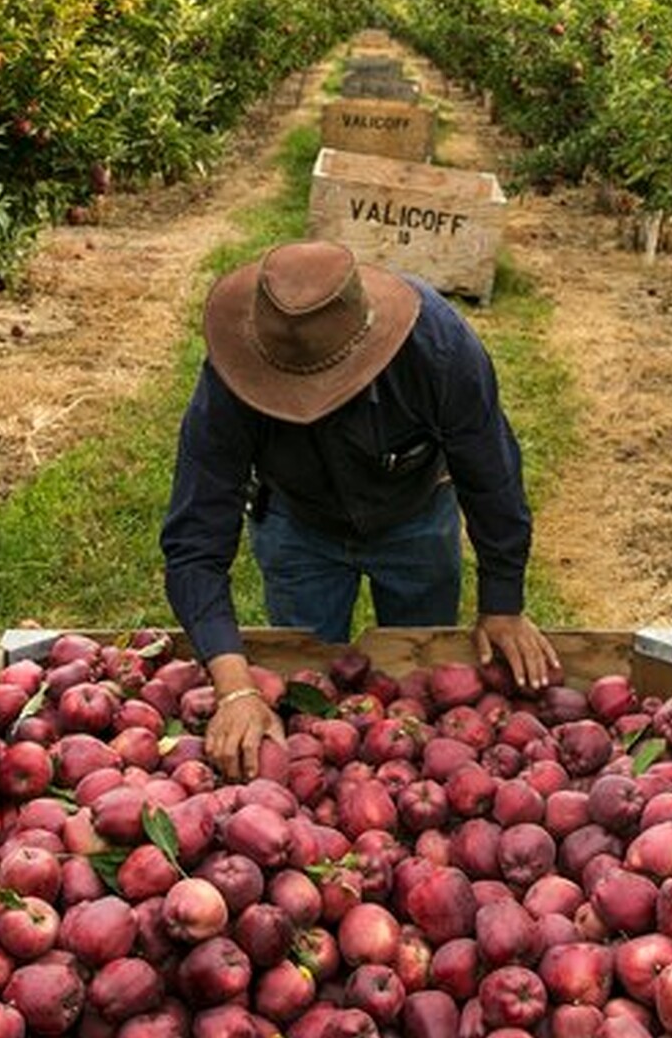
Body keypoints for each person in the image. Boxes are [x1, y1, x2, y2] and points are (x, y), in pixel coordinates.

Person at [160, 240, 561, 779]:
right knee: (308, 687)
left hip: (415, 515)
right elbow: (195, 540)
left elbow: (492, 477)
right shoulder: (232, 381)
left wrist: (503, 602)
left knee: (425, 681)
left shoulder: (438, 350)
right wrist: (234, 689)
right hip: (296, 520)